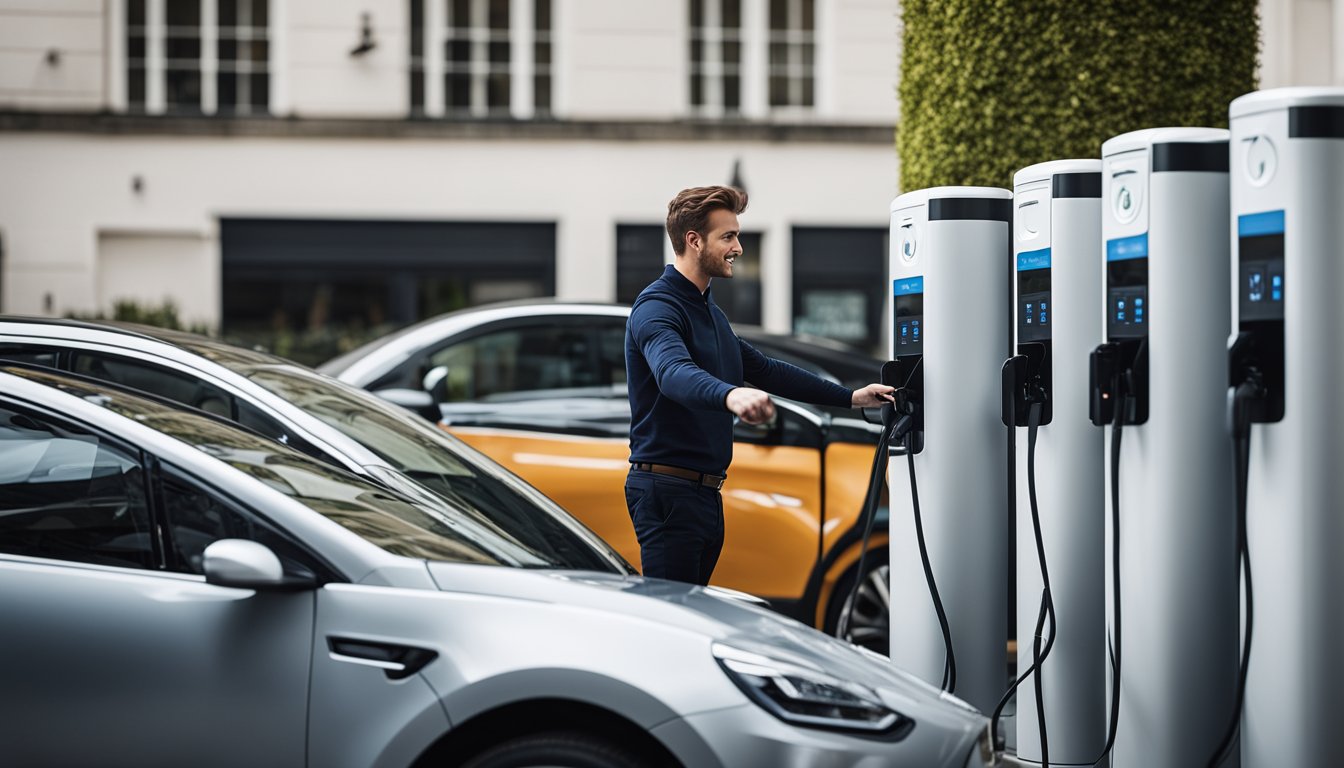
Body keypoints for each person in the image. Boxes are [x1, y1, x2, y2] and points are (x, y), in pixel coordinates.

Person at [624, 185, 895, 585]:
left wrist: (850, 397)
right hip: (667, 492)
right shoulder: (657, 308)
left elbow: (767, 370)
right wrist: (731, 394)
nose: (739, 248)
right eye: (728, 236)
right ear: (694, 241)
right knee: (673, 622)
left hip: (701, 493)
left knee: (690, 616)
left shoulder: (708, 311)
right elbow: (672, 372)